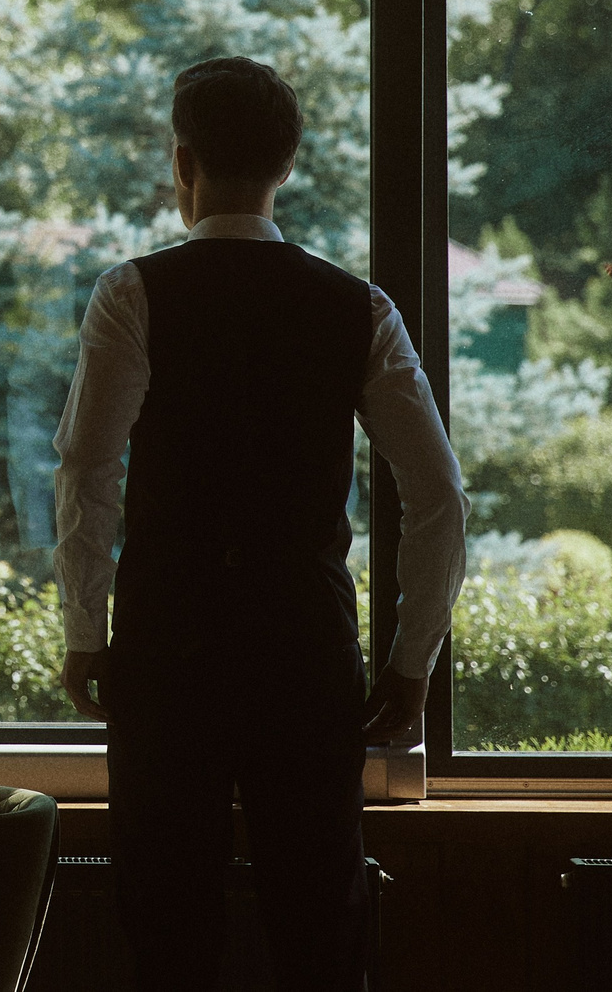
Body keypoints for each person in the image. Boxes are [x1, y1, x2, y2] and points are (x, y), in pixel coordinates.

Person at [53, 56, 466, 992]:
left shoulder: (132, 293)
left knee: (168, 922)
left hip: (170, 643)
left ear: (181, 161)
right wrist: (411, 659)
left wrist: (87, 630)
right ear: (288, 165)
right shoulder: (358, 307)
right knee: (320, 918)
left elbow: (88, 468)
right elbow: (437, 492)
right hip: (302, 643)